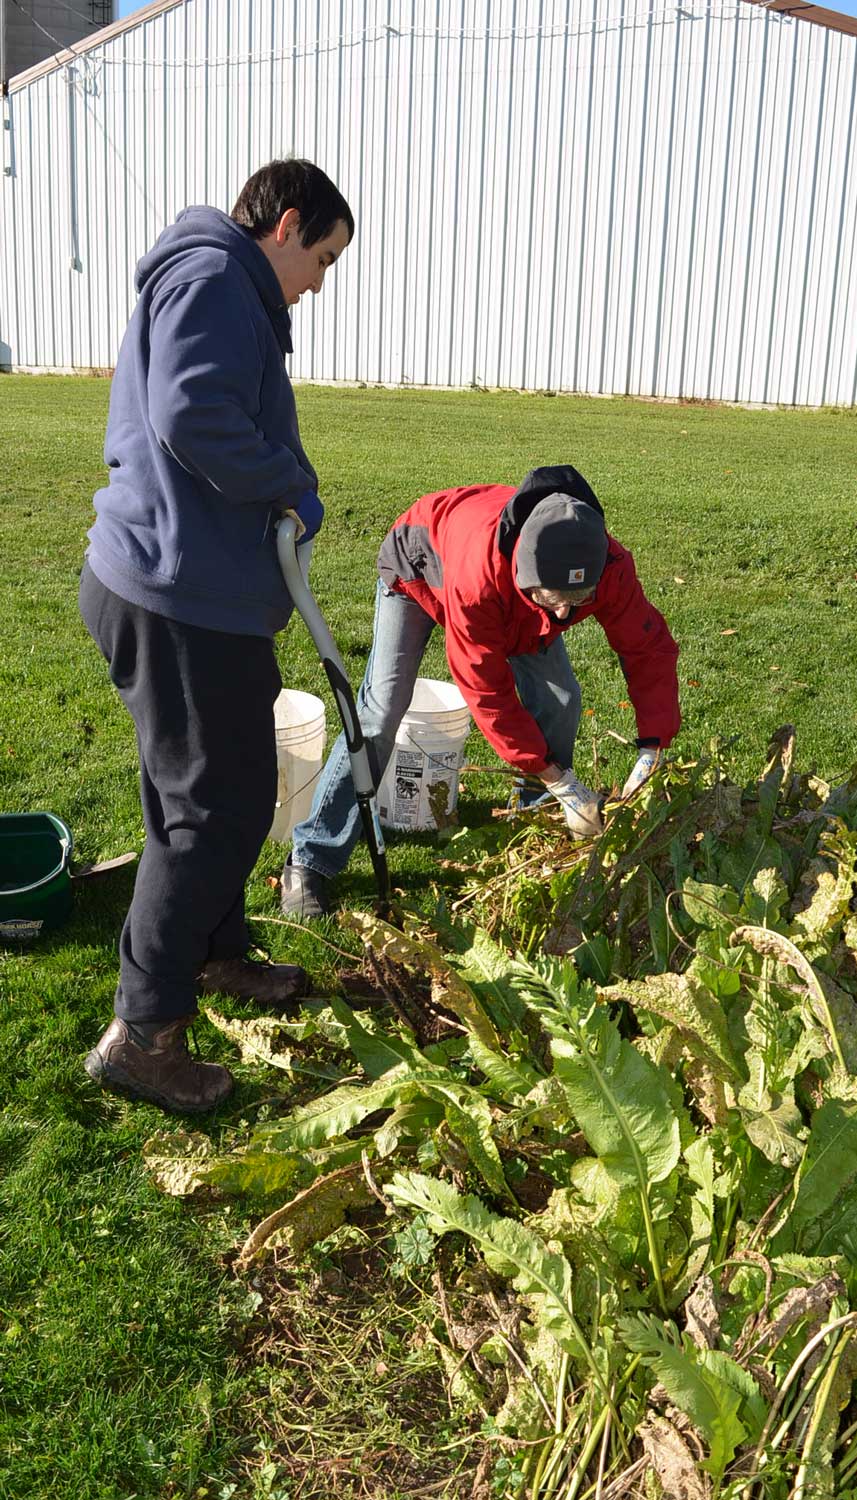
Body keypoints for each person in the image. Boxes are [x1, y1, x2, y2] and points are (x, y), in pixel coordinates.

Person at [80, 158, 354, 1113]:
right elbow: (191, 411)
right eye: (322, 255)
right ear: (284, 226)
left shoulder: (222, 284)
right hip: (175, 593)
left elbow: (214, 408)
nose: (321, 280)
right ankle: (143, 1031)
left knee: (194, 793)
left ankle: (215, 953)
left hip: (189, 590)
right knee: (218, 807)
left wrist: (288, 478)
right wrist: (287, 485)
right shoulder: (210, 277)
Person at [281, 465, 680, 918]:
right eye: (554, 598)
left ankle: (534, 820)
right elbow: (487, 692)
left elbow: (648, 649)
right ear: (524, 572)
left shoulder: (603, 564)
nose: (567, 611)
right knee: (380, 713)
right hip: (417, 568)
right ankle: (311, 860)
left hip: (516, 605)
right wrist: (564, 781)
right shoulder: (479, 578)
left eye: (580, 599)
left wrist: (653, 747)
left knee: (560, 698)